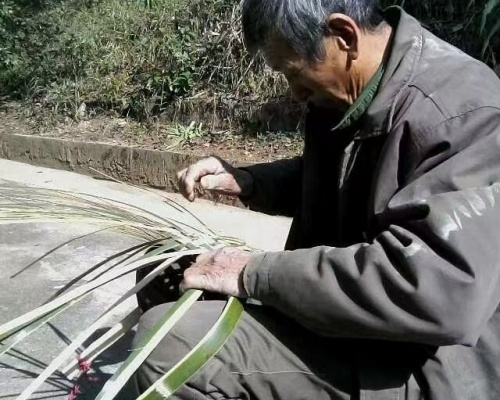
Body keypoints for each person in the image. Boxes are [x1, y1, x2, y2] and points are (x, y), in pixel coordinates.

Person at [133, 0, 500, 398]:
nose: (294, 92)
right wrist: (249, 182)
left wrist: (252, 273)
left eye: (293, 73)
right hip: (353, 318)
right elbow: (342, 175)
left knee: (172, 348)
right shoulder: (350, 92)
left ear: (343, 36)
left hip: (419, 362)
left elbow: (436, 289)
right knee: (164, 272)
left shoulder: (464, 113)